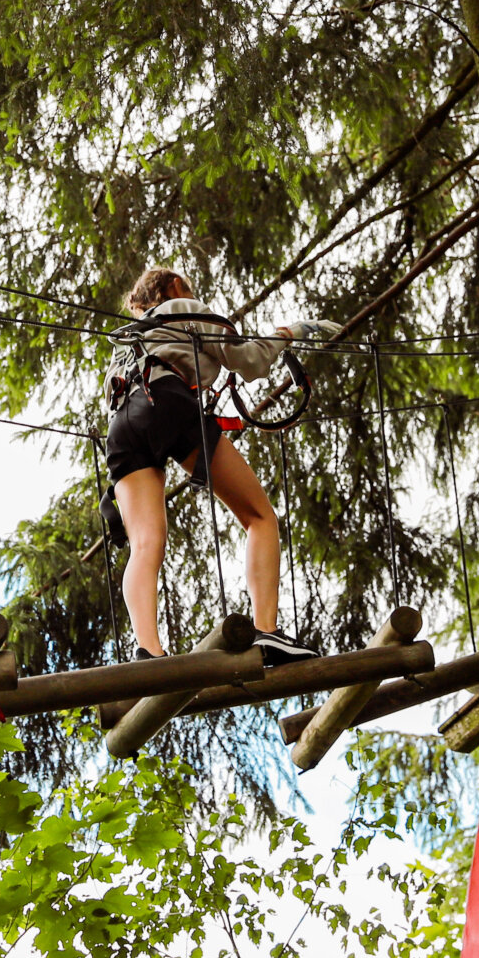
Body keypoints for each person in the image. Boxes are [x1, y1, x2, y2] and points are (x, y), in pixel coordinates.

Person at [106, 266, 339, 665]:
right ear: (174, 287)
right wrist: (289, 334)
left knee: (145, 544)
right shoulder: (183, 306)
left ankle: (149, 650)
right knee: (260, 518)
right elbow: (247, 360)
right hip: (167, 402)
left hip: (122, 425)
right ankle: (267, 633)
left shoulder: (128, 340)